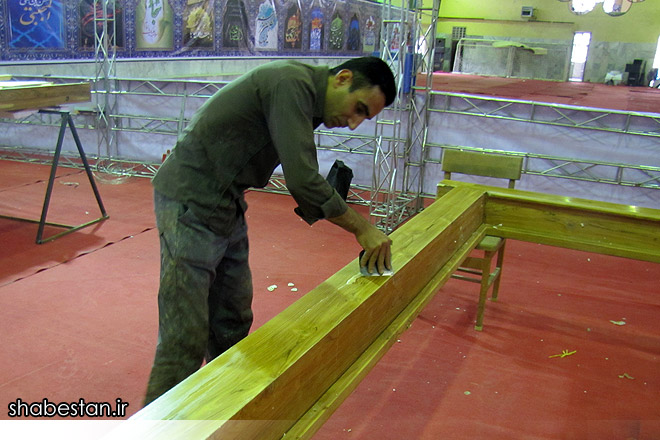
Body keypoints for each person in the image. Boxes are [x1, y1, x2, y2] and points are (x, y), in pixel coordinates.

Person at [143, 57, 396, 405]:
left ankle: (224, 410)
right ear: (343, 79)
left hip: (226, 200)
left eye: (363, 119)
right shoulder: (291, 84)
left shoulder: (303, 95)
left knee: (232, 322)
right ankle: (160, 424)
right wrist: (362, 228)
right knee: (184, 338)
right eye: (359, 109)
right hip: (190, 199)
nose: (353, 124)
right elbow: (303, 179)